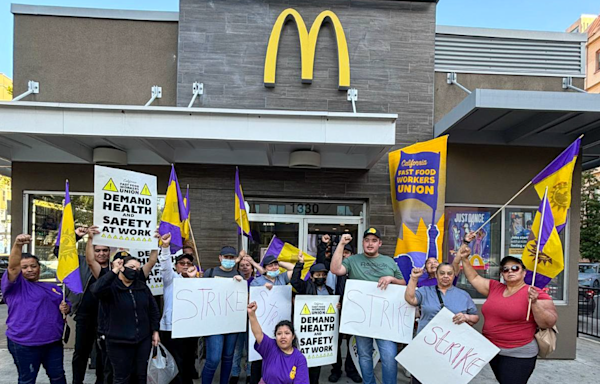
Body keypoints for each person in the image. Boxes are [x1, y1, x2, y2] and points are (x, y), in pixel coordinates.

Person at [458, 243, 558, 384]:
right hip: (492, 350)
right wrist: (465, 259)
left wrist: (535, 303)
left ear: (524, 272)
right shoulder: (495, 287)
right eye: (505, 269)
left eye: (515, 268)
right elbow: (474, 278)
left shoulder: (534, 292)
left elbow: (549, 322)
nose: (510, 271)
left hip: (518, 352)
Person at [330, 228, 405, 384]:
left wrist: (391, 278)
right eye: (367, 240)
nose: (370, 244)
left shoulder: (389, 261)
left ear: (380, 243)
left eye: (374, 240)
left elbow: (403, 283)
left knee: (389, 356)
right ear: (363, 242)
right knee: (364, 355)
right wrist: (341, 244)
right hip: (361, 317)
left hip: (385, 318)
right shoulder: (353, 260)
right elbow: (335, 269)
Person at [86, 225, 159, 384]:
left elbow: (153, 310)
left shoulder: (141, 286)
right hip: (118, 342)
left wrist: (155, 331)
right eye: (131, 267)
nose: (135, 270)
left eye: (138, 268)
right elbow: (96, 289)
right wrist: (114, 271)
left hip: (142, 340)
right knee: (120, 377)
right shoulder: (109, 286)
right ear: (121, 267)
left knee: (141, 376)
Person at [2, 234, 70, 384]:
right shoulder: (14, 287)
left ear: (39, 268)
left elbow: (65, 304)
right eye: (24, 267)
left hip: (53, 343)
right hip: (24, 344)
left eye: (33, 266)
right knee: (27, 380)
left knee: (58, 377)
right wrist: (18, 244)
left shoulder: (53, 288)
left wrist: (66, 307)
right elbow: (13, 268)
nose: (30, 270)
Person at [57, 226, 108, 384]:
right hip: (84, 316)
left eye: (105, 250)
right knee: (81, 353)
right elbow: (60, 252)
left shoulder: (116, 267)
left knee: (103, 354)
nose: (101, 253)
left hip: (106, 318)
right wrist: (77, 236)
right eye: (97, 250)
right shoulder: (81, 262)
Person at [404, 248, 479, 337]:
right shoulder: (425, 291)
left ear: (453, 275)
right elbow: (410, 299)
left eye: (449, 273)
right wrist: (413, 278)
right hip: (426, 340)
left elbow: (475, 318)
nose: (446, 276)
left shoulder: (463, 295)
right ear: (436, 275)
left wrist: (466, 317)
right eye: (442, 273)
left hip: (454, 342)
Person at [158, 233, 199, 384]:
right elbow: (165, 266)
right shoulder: (171, 279)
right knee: (175, 362)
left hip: (189, 329)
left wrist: (194, 279)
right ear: (176, 266)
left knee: (188, 361)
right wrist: (165, 247)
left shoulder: (197, 281)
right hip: (171, 329)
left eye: (189, 263)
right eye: (182, 263)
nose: (186, 265)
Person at [248, 254, 294, 384]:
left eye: (275, 265)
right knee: (259, 358)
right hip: (263, 324)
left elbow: (293, 269)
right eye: (270, 265)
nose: (274, 267)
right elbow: (251, 300)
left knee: (276, 356)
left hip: (279, 324)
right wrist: (263, 289)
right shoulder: (257, 281)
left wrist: (280, 262)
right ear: (264, 268)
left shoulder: (282, 277)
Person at [202, 246, 245, 384]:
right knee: (213, 359)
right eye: (226, 257)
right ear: (220, 258)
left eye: (232, 257)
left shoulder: (239, 274)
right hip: (213, 324)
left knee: (228, 357)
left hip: (232, 323)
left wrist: (241, 284)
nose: (229, 260)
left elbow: (242, 299)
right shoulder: (210, 272)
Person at [291, 253, 335, 384]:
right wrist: (299, 265)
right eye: (317, 275)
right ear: (311, 276)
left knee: (317, 361)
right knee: (303, 362)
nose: (321, 277)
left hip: (320, 333)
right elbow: (294, 281)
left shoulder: (329, 290)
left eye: (323, 275)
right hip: (306, 332)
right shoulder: (305, 287)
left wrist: (336, 306)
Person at [247, 301, 309, 384]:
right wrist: (252, 314)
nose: (283, 336)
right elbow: (258, 333)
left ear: (293, 336)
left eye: (287, 333)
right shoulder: (270, 347)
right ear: (275, 336)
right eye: (279, 333)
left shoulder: (299, 359)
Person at [324, 244, 360, 383]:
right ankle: (336, 369)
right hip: (337, 311)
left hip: (354, 312)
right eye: (342, 252)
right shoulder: (333, 271)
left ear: (351, 255)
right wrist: (334, 304)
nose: (344, 255)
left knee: (352, 341)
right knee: (336, 341)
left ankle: (352, 369)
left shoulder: (356, 271)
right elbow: (328, 291)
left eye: (347, 252)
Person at [230, 255, 264, 384]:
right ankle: (235, 373)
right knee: (237, 348)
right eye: (242, 265)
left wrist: (253, 262)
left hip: (252, 319)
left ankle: (250, 373)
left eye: (247, 265)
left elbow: (264, 272)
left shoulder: (257, 280)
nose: (244, 267)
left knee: (251, 347)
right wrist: (239, 258)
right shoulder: (233, 279)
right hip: (237, 319)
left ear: (251, 268)